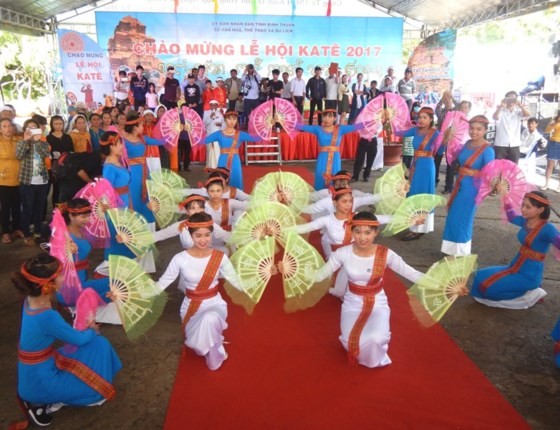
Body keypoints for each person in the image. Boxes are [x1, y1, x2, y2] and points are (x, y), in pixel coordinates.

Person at [297, 211, 422, 368]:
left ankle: (375, 356)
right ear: (351, 231)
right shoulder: (343, 253)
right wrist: (292, 270)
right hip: (352, 303)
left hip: (378, 303)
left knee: (376, 339)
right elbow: (319, 275)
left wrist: (440, 284)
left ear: (375, 233)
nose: (363, 237)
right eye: (358, 232)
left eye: (368, 232)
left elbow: (412, 273)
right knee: (351, 342)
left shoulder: (385, 254)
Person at [13, 253, 121, 427]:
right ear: (47, 286)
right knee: (93, 389)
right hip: (41, 380)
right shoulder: (47, 316)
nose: (64, 278)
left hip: (37, 368)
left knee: (99, 344)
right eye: (60, 275)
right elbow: (78, 339)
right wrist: (92, 329)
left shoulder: (29, 301)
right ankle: (40, 402)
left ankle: (45, 398)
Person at [155, 212, 247, 370]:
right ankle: (213, 344)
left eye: (207, 235)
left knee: (210, 319)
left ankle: (215, 354)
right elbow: (162, 283)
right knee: (199, 342)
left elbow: (236, 281)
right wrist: (134, 294)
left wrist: (261, 277)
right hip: (191, 307)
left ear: (212, 234)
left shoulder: (220, 257)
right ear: (190, 235)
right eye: (198, 236)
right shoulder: (180, 258)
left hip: (215, 304)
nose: (203, 240)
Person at [471, 191, 560, 309]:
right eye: (522, 205)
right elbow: (511, 216)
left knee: (489, 289)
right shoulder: (525, 220)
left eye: (528, 207)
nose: (523, 209)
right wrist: (505, 196)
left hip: (529, 274)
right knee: (479, 276)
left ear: (540, 210)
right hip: (514, 266)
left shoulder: (548, 229)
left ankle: (532, 293)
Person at [441, 115, 495, 256]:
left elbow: (490, 173)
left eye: (479, 129)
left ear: (485, 130)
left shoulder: (488, 149)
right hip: (459, 185)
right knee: (453, 217)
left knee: (463, 220)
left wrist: (494, 185)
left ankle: (461, 253)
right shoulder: (467, 144)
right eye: (472, 128)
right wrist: (449, 138)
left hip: (472, 189)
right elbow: (454, 155)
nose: (474, 132)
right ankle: (451, 250)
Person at [395, 107, 440, 241]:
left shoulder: (434, 133)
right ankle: (414, 225)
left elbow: (441, 149)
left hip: (427, 167)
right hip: (415, 165)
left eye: (425, 117)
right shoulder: (414, 130)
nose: (421, 120)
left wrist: (447, 138)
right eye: (420, 117)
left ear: (431, 119)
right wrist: (388, 123)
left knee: (423, 195)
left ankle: (420, 228)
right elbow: (400, 133)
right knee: (412, 194)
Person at [296, 109, 364, 190]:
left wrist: (375, 120)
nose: (326, 119)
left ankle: (335, 196)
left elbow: (357, 126)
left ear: (335, 118)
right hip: (322, 158)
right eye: (325, 116)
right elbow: (301, 126)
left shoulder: (340, 129)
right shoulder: (318, 129)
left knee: (335, 176)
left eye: (330, 116)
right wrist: (283, 121)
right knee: (320, 176)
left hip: (335, 158)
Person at [154, 194, 232, 254]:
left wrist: (242, 237)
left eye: (200, 208)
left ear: (204, 210)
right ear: (187, 211)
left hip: (208, 258)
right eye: (193, 208)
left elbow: (225, 236)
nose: (197, 211)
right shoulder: (182, 226)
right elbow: (161, 234)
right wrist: (142, 239)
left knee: (224, 251)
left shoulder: (210, 223)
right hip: (189, 260)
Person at [122, 112, 164, 222]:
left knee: (147, 196)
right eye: (141, 125)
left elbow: (161, 142)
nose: (143, 127)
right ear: (135, 127)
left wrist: (175, 132)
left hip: (145, 172)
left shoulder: (143, 139)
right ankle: (134, 225)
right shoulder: (122, 140)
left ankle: (148, 226)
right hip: (131, 174)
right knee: (134, 197)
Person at [204, 110, 259, 190]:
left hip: (235, 161)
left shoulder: (240, 134)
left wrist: (269, 125)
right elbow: (202, 141)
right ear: (225, 119)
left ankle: (237, 199)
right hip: (222, 160)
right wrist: (188, 130)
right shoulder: (219, 134)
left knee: (236, 181)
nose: (232, 121)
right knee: (221, 181)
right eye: (229, 118)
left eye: (234, 119)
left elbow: (257, 138)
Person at [16, 119, 50, 245]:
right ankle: (26, 232)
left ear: (39, 129)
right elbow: (18, 155)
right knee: (27, 208)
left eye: (34, 127)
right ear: (25, 130)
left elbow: (45, 153)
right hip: (27, 181)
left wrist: (37, 141)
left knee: (39, 208)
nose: (31, 129)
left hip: (42, 181)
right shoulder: (22, 142)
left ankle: (38, 231)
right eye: (29, 127)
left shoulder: (43, 143)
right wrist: (26, 140)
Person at [0, 117, 22, 244]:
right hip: (3, 180)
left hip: (19, 178)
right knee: (5, 207)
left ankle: (17, 228)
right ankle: (5, 232)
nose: (8, 128)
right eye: (4, 126)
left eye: (10, 126)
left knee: (17, 206)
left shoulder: (18, 140)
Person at [492, 91, 530, 163]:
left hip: (514, 143)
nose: (511, 100)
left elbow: (527, 115)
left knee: (513, 166)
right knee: (498, 166)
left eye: (513, 98)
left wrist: (521, 106)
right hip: (500, 143)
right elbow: (494, 117)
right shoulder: (501, 111)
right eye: (509, 98)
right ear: (505, 99)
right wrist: (500, 106)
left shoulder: (518, 111)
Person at [46, 115, 74, 208]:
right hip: (55, 167)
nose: (58, 126)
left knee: (67, 188)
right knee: (57, 189)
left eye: (60, 124)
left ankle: (66, 209)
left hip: (67, 166)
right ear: (52, 125)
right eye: (56, 124)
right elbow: (47, 153)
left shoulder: (67, 137)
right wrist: (53, 155)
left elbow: (71, 151)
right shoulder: (48, 138)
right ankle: (56, 211)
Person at [434, 91, 458, 193]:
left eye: (449, 99)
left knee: (450, 163)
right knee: (436, 160)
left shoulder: (456, 111)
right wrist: (442, 98)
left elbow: (460, 106)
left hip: (452, 139)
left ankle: (449, 186)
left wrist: (452, 97)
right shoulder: (441, 112)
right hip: (441, 138)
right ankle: (435, 180)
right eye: (446, 100)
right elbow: (437, 108)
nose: (448, 101)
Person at [519, 117, 546, 183]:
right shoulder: (525, 131)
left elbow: (543, 144)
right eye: (529, 123)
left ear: (536, 124)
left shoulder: (538, 136)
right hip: (520, 149)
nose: (530, 125)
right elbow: (520, 141)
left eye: (532, 123)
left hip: (527, 153)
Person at [541, 112, 560, 191]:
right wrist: (554, 123)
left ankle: (559, 186)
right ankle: (547, 183)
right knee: (549, 165)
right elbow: (547, 130)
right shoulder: (554, 121)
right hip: (553, 143)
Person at [203, 100, 225, 169]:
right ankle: (210, 166)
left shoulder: (220, 114)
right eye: (212, 105)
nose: (213, 106)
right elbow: (204, 124)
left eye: (215, 105)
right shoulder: (206, 113)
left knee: (217, 150)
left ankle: (217, 165)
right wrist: (210, 117)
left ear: (217, 106)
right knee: (210, 150)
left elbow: (224, 124)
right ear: (210, 106)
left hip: (218, 135)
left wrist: (220, 124)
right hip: (209, 135)